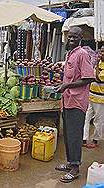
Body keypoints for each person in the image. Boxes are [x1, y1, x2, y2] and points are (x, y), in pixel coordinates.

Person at [55, 27, 95, 183]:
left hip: (77, 101)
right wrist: (63, 85)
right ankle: (70, 162)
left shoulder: (82, 55)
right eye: (70, 37)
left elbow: (88, 78)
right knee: (68, 134)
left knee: (75, 136)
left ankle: (75, 168)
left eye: (75, 38)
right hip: (67, 100)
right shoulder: (69, 54)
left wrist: (66, 86)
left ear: (80, 38)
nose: (71, 40)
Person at [83, 46, 104, 148]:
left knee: (98, 120)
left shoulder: (98, 64)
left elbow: (97, 78)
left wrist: (94, 68)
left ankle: (95, 140)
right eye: (101, 52)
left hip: (101, 99)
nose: (101, 54)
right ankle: (84, 138)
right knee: (86, 117)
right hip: (91, 95)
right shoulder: (98, 63)